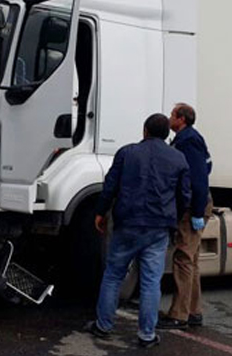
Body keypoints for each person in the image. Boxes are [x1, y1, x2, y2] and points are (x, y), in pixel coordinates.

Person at [86, 113, 192, 348]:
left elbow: (110, 186)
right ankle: (146, 334)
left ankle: (103, 325)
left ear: (145, 130)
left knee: (113, 275)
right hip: (158, 228)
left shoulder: (127, 153)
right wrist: (172, 218)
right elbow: (185, 196)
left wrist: (101, 212)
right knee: (151, 281)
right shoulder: (178, 159)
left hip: (127, 224)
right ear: (167, 134)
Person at [159, 103, 213, 330]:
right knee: (191, 260)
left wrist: (197, 212)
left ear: (181, 119)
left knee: (183, 259)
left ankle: (179, 315)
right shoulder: (188, 138)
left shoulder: (188, 140)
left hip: (193, 206)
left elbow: (199, 178)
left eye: (172, 115)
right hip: (195, 205)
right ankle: (193, 311)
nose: (170, 118)